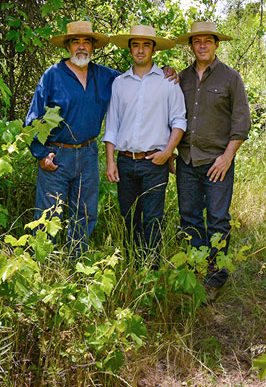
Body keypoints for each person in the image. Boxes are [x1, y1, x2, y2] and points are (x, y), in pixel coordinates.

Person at [25, 20, 178, 256]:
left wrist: (166, 69)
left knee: (85, 213)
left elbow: (139, 79)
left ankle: (76, 262)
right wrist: (41, 154)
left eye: (87, 42)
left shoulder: (105, 76)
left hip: (87, 153)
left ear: (94, 47)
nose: (82, 47)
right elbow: (33, 119)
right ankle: (44, 267)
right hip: (56, 154)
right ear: (68, 46)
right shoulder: (53, 76)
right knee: (49, 214)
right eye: (76, 42)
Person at [173, 21, 250, 298]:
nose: (202, 45)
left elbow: (241, 124)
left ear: (216, 44)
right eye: (197, 41)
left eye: (208, 40)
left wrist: (227, 158)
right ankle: (196, 269)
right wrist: (172, 152)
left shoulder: (231, 79)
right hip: (187, 161)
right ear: (191, 46)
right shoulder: (180, 79)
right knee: (189, 218)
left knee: (217, 220)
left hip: (217, 162)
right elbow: (171, 118)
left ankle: (215, 279)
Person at [102, 25, 186, 262]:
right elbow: (112, 125)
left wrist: (168, 151)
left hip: (154, 161)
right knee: (128, 216)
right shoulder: (119, 83)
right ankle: (131, 264)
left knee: (152, 217)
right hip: (125, 161)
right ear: (130, 49)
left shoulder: (168, 81)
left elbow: (179, 119)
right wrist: (110, 161)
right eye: (136, 45)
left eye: (146, 45)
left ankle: (152, 267)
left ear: (154, 49)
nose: (140, 50)